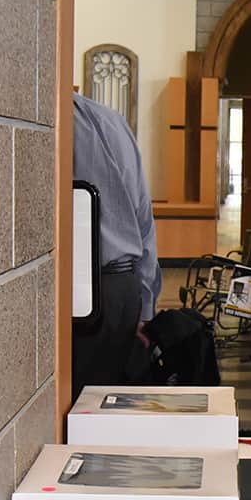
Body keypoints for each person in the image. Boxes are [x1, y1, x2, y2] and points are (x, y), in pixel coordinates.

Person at [71, 92, 162, 401]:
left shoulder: (54, 124)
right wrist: (145, 308)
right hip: (126, 289)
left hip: (86, 291)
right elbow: (144, 221)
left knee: (78, 405)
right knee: (107, 402)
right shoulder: (114, 120)